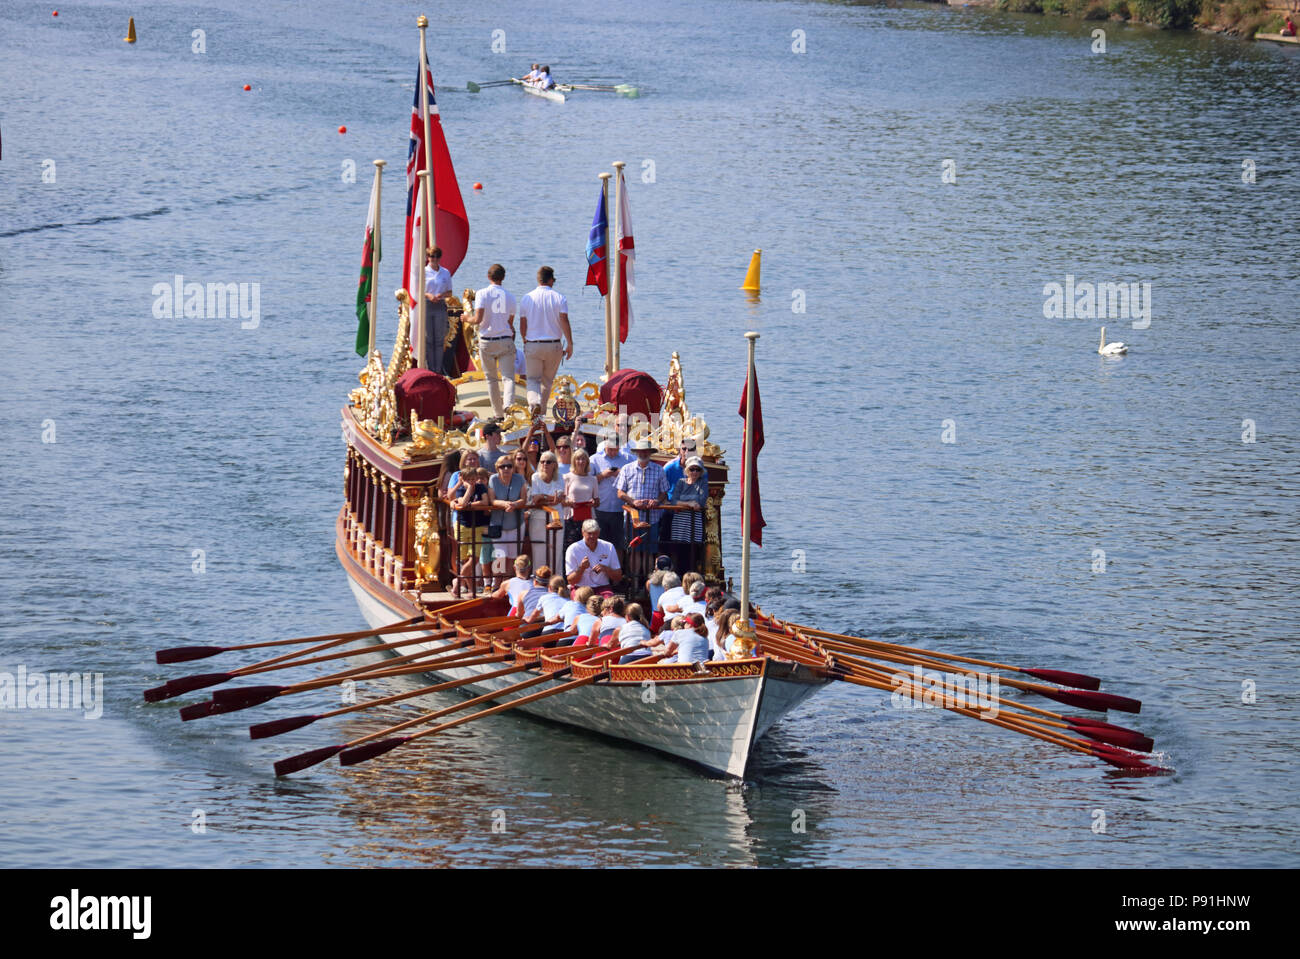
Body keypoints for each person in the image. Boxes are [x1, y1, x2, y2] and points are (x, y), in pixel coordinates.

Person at [518, 266, 574, 415]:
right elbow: (564, 321)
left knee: (532, 380)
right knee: (547, 382)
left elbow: (522, 324)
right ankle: (541, 413)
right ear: (550, 280)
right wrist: (570, 343)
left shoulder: (526, 298)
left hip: (533, 344)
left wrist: (525, 341)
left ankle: (534, 403)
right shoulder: (559, 298)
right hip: (554, 345)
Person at [471, 265, 517, 419]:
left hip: (486, 341)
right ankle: (508, 407)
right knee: (508, 378)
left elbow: (477, 319)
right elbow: (510, 322)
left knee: (491, 379)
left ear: (488, 276)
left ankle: (498, 414)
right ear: (503, 278)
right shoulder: (510, 296)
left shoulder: (482, 294)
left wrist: (466, 318)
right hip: (505, 339)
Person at [615, 439, 669, 555]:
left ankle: (648, 573)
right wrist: (633, 502)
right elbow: (620, 493)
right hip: (632, 518)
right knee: (633, 552)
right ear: (636, 452)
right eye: (641, 451)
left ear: (650, 453)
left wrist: (656, 501)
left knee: (650, 551)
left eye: (646, 451)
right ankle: (634, 573)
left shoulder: (659, 470)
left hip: (652, 518)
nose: (643, 454)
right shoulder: (626, 469)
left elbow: (664, 492)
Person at [449, 465, 492, 596]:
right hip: (463, 526)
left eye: (474, 479)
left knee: (474, 559)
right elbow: (462, 502)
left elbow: (485, 502)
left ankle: (458, 580)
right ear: (463, 479)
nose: (472, 482)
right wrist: (468, 489)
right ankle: (471, 589)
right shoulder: (461, 490)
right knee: (464, 560)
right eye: (469, 479)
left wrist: (470, 505)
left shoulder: (481, 487)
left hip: (477, 527)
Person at [487, 454, 526, 584]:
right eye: (502, 466)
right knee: (499, 556)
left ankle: (507, 583)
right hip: (498, 524)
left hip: (516, 523)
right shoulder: (493, 479)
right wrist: (504, 504)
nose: (506, 469)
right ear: (498, 468)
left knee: (512, 556)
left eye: (509, 466)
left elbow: (523, 499)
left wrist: (514, 504)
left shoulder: (519, 479)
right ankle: (496, 584)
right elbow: (492, 500)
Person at [591, 431, 632, 551]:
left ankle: (617, 569)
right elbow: (587, 482)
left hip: (620, 510)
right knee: (599, 545)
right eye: (610, 450)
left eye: (616, 450)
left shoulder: (628, 459)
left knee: (618, 546)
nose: (613, 453)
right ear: (605, 445)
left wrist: (622, 474)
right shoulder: (594, 459)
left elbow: (635, 479)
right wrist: (603, 475)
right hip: (600, 509)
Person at [667, 455, 707, 568]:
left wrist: (683, 501)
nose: (694, 472)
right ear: (687, 470)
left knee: (693, 551)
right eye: (692, 469)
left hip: (694, 523)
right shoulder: (681, 482)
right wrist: (689, 503)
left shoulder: (702, 483)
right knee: (678, 550)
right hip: (680, 523)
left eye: (697, 469)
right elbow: (674, 501)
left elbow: (701, 501)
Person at [527, 450, 566, 570]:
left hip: (557, 518)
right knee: (539, 551)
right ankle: (539, 580)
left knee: (557, 550)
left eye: (548, 462)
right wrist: (547, 498)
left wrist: (542, 496)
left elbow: (559, 498)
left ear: (554, 464)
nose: (544, 464)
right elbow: (535, 499)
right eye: (542, 461)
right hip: (538, 518)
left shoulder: (560, 477)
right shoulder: (535, 477)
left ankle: (556, 581)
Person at [564, 518, 622, 590]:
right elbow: (570, 581)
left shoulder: (609, 546)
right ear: (583, 532)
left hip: (603, 588)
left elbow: (618, 577)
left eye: (595, 533)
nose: (592, 536)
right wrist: (581, 568)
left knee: (608, 601)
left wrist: (606, 569)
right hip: (580, 588)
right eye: (589, 533)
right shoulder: (573, 549)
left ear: (599, 532)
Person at [421, 246, 453, 375]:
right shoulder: (423, 272)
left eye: (436, 257)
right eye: (431, 257)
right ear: (428, 258)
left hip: (440, 305)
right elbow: (417, 291)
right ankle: (430, 369)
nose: (434, 259)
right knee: (429, 339)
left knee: (439, 339)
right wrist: (428, 295)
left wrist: (441, 295)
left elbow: (450, 292)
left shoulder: (445, 273)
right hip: (427, 306)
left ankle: (438, 369)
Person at [562, 447, 598, 552]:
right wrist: (569, 503)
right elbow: (562, 501)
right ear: (574, 461)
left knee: (587, 547)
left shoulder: (593, 479)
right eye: (578, 459)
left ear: (587, 461)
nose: (581, 461)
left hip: (588, 518)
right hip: (571, 517)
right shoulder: (567, 477)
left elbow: (597, 501)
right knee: (570, 547)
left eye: (583, 459)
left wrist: (593, 503)